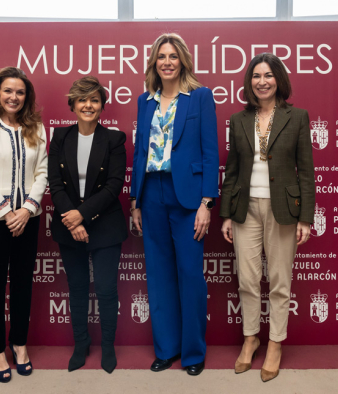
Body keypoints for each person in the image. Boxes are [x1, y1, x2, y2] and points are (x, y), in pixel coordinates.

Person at [219, 53, 315, 382]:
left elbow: (306, 171)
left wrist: (305, 217)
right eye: (257, 76)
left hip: (284, 210)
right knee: (247, 279)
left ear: (279, 80)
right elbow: (231, 171)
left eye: (269, 75)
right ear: (249, 82)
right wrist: (227, 215)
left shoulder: (298, 116)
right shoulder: (238, 119)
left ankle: (275, 344)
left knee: (279, 281)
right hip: (245, 208)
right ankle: (250, 339)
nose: (262, 81)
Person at [130, 33, 219, 376]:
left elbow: (210, 153)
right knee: (159, 276)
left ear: (182, 60)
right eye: (161, 56)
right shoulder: (145, 101)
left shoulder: (200, 97)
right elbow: (140, 153)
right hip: (151, 194)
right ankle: (166, 350)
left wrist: (206, 203)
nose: (167, 61)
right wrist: (135, 200)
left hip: (188, 198)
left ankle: (194, 353)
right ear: (154, 62)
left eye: (173, 56)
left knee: (190, 276)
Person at [0, 67, 48, 383]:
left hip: (28, 219)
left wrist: (26, 209)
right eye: (8, 91)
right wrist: (6, 213)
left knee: (23, 286)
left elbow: (42, 173)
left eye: (20, 92)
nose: (13, 97)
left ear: (26, 97)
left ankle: (19, 344)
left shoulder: (37, 128)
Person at [48, 76, 127, 374]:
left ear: (102, 105)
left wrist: (83, 215)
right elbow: (55, 184)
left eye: (94, 99)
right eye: (82, 99)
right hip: (69, 225)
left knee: (106, 290)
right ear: (73, 105)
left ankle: (108, 346)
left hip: (104, 224)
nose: (88, 105)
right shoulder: (59, 138)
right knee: (77, 288)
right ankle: (81, 345)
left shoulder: (114, 139)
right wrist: (73, 219)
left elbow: (114, 186)